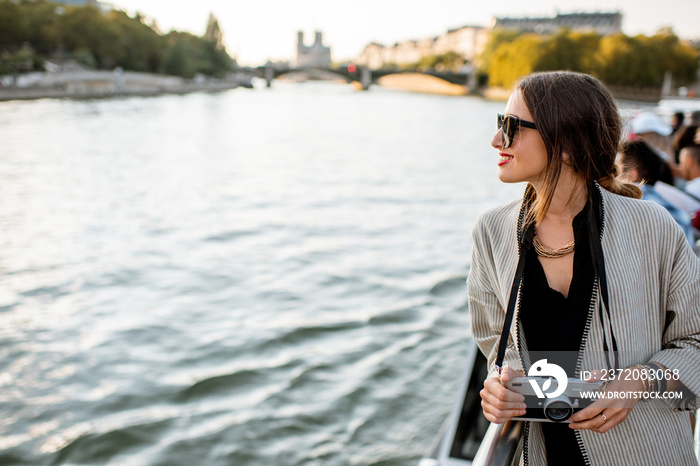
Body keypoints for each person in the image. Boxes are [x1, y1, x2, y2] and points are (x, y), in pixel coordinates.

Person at [467, 71, 700, 465]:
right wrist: (501, 386)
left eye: (510, 127)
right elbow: (497, 348)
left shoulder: (652, 227)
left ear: (567, 145)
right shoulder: (491, 231)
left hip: (645, 452)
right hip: (543, 453)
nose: (496, 141)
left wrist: (640, 380)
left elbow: (695, 341)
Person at [617, 139, 694, 244]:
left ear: (631, 175)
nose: (613, 177)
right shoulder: (678, 213)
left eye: (616, 171)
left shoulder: (623, 207)